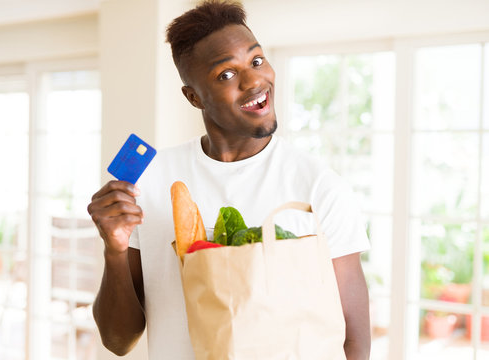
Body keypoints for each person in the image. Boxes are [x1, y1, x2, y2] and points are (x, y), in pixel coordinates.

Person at [87, 1, 371, 359]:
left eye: (256, 60)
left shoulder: (318, 188)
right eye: (226, 74)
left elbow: (355, 341)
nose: (255, 81)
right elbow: (118, 340)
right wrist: (114, 250)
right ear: (193, 97)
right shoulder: (151, 182)